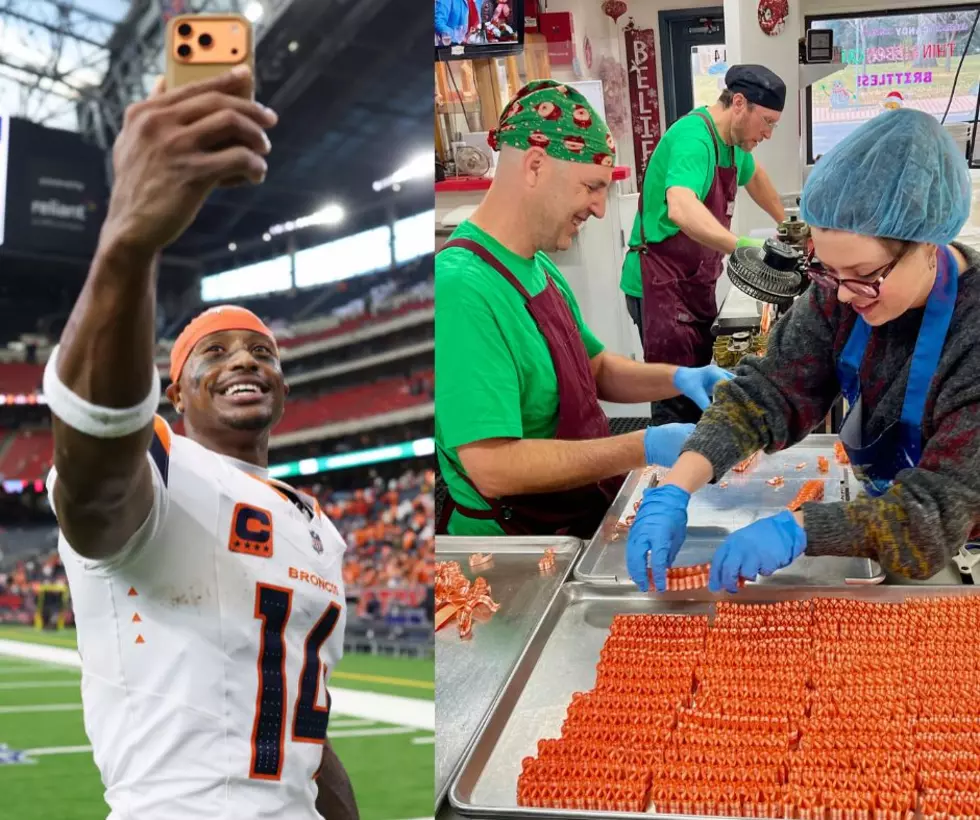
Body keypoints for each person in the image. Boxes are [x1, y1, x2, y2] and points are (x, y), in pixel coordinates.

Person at [42, 67, 357, 820]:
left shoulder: (321, 528)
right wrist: (129, 242)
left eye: (261, 352)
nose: (246, 360)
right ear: (174, 394)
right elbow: (95, 475)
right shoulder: (157, 466)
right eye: (214, 354)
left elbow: (303, 722)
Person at [624, 107, 980, 594]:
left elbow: (938, 513)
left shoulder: (972, 335)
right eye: (829, 273)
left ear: (927, 245)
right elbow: (768, 392)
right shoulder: (842, 294)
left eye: (864, 277)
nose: (843, 296)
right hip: (886, 511)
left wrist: (803, 530)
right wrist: (677, 484)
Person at [436, 80, 731, 538]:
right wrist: (643, 445)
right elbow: (492, 467)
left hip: (575, 511)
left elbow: (593, 368)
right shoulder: (460, 288)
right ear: (535, 165)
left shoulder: (538, 268)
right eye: (591, 187)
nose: (598, 208)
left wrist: (682, 378)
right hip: (517, 545)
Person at [620, 64, 788, 425]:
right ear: (739, 103)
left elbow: (754, 175)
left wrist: (788, 225)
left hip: (693, 284)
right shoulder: (695, 139)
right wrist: (741, 246)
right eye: (768, 122)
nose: (769, 134)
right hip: (660, 287)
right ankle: (668, 475)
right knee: (674, 398)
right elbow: (681, 207)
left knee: (696, 387)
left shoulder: (732, 144)